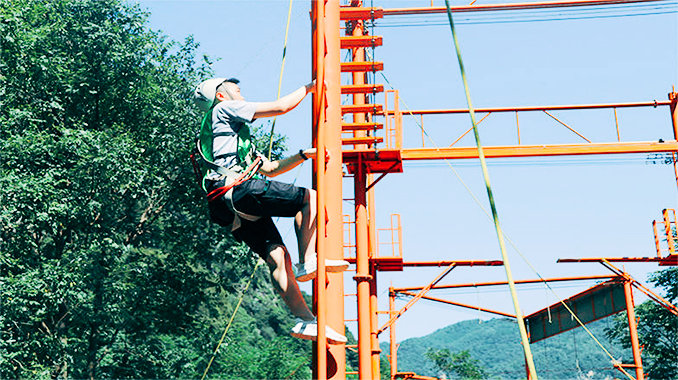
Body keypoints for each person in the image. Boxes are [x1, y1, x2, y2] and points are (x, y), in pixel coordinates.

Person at [193, 77, 348, 344]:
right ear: (220, 96)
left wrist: (302, 155)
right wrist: (308, 88)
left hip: (225, 205)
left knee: (277, 257)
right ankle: (308, 261)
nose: (240, 91)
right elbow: (280, 107)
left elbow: (270, 168)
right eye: (235, 89)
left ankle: (306, 321)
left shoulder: (229, 138)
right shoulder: (223, 110)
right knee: (308, 198)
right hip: (239, 191)